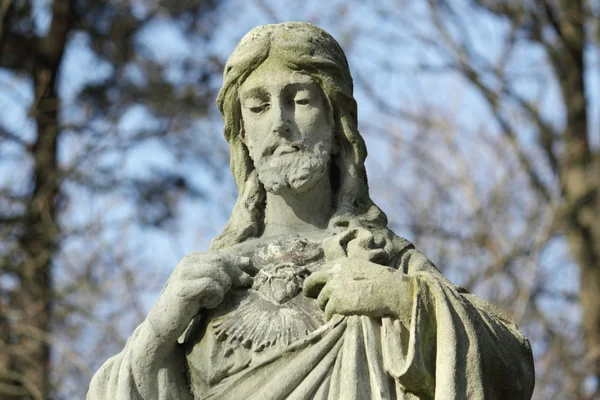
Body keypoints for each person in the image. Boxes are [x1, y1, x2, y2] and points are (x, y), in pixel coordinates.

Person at [88, 22, 535, 400]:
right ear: (242, 134)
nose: (279, 122)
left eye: (299, 99)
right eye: (259, 107)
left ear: (335, 119)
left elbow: (511, 367)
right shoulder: (207, 283)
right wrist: (157, 333)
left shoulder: (377, 259)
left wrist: (402, 299)